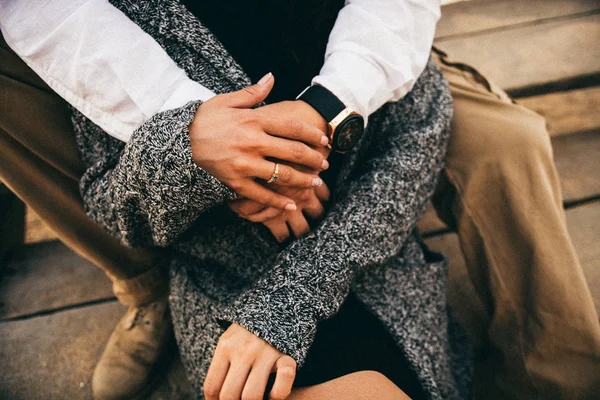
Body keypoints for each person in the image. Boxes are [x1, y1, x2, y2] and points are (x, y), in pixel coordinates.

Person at [0, 0, 598, 399]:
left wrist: (289, 298)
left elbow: (416, 130)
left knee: (509, 144)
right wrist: (194, 156)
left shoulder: (354, 22)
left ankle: (561, 373)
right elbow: (113, 205)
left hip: (365, 273)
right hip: (223, 284)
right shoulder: (124, 26)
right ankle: (147, 293)